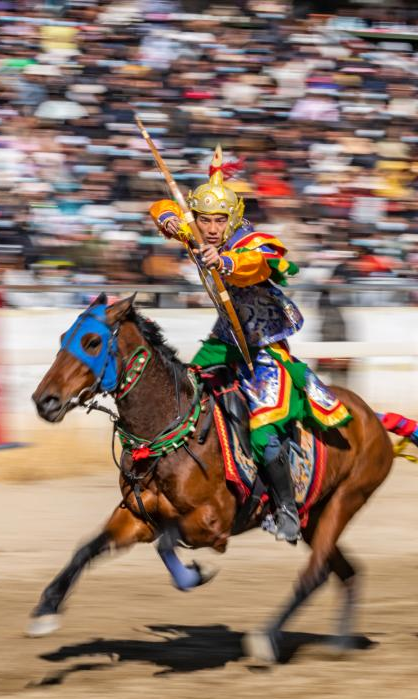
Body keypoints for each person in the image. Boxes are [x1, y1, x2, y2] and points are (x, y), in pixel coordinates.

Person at [148, 146, 351, 543]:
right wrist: (171, 221)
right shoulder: (195, 232)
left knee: (263, 428)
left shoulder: (251, 241)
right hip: (224, 340)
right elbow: (160, 206)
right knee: (184, 393)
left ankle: (286, 509)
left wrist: (224, 262)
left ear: (233, 218)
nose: (210, 228)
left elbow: (256, 266)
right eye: (203, 220)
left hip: (264, 349)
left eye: (218, 220)